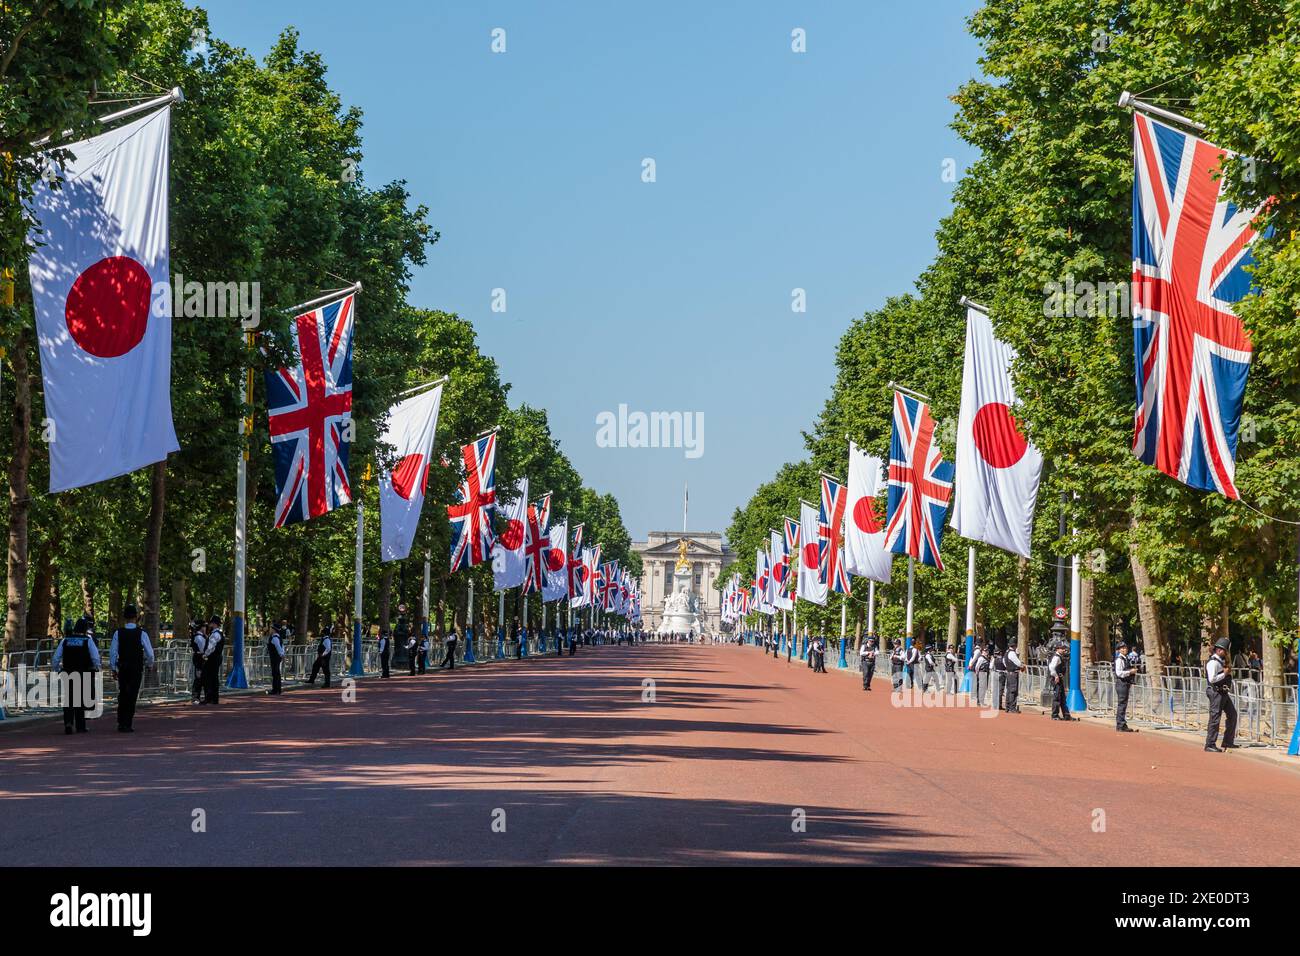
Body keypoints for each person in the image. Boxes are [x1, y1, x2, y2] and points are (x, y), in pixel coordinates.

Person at [109, 604, 154, 733]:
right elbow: (150, 653)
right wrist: (150, 664)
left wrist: (113, 668)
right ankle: (128, 722)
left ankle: (121, 721)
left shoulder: (118, 633)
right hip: (136, 667)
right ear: (136, 617)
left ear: (124, 618)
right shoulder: (142, 633)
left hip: (123, 667)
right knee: (132, 694)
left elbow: (113, 652)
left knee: (122, 693)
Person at [53, 618, 100, 734]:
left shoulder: (65, 640)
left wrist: (57, 669)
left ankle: (68, 723)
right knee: (81, 699)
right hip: (83, 672)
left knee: (68, 699)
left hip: (68, 672)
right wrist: (97, 667)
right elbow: (95, 656)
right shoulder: (87, 640)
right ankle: (80, 726)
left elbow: (56, 657)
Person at [1205, 637, 1238, 752]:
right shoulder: (1213, 663)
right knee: (1215, 718)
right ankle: (1210, 744)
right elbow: (1212, 679)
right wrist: (1224, 673)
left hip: (1223, 692)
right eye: (1225, 651)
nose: (1226, 653)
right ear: (1219, 650)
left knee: (1232, 714)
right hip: (1216, 692)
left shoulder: (1220, 661)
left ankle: (1228, 741)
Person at [1114, 638, 1137, 732]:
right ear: (1119, 650)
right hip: (1121, 683)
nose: (1124, 649)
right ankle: (1120, 724)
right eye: (1122, 648)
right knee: (1122, 704)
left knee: (1123, 704)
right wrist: (1130, 672)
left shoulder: (1125, 658)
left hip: (1125, 683)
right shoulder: (1119, 659)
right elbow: (1119, 673)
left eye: (1125, 648)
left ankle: (1122, 723)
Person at [1048, 641, 1075, 720]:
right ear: (1058, 649)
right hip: (1057, 679)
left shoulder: (1059, 656)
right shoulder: (1056, 657)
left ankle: (1066, 715)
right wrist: (1056, 676)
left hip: (1060, 679)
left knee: (1063, 697)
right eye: (1062, 648)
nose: (1064, 650)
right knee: (1057, 697)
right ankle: (1055, 715)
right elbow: (1051, 667)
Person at [202, 616, 225, 705]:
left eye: (211, 623)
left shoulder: (215, 634)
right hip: (217, 658)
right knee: (214, 678)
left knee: (208, 678)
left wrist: (205, 655)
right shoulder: (219, 633)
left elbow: (210, 647)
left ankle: (209, 698)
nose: (210, 625)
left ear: (214, 624)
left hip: (212, 658)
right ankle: (214, 698)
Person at [189, 621, 206, 704]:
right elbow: (203, 649)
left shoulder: (201, 636)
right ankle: (195, 697)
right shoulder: (199, 637)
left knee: (200, 678)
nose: (205, 628)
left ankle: (197, 697)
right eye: (204, 626)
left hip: (200, 659)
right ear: (201, 627)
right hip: (199, 659)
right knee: (198, 678)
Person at [1004, 642, 1023, 713]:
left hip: (1009, 673)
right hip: (1013, 673)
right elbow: (1018, 662)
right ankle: (1012, 708)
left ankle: (1007, 707)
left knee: (1009, 690)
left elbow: (1004, 662)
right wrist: (1022, 666)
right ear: (1014, 646)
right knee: (1013, 690)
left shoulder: (1007, 652)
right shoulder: (1012, 653)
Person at [267, 624, 285, 695]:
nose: (270, 629)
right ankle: (278, 689)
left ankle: (275, 690)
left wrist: (282, 655)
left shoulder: (274, 638)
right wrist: (282, 654)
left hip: (275, 657)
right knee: (277, 673)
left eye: (271, 628)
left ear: (274, 630)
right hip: (277, 657)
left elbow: (278, 647)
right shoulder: (278, 637)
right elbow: (282, 647)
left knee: (275, 673)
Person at [990, 643, 1005, 710]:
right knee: (1000, 690)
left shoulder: (994, 659)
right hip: (1001, 674)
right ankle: (999, 704)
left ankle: (994, 704)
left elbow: (990, 667)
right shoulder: (1003, 659)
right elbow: (1006, 666)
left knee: (995, 690)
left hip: (995, 673)